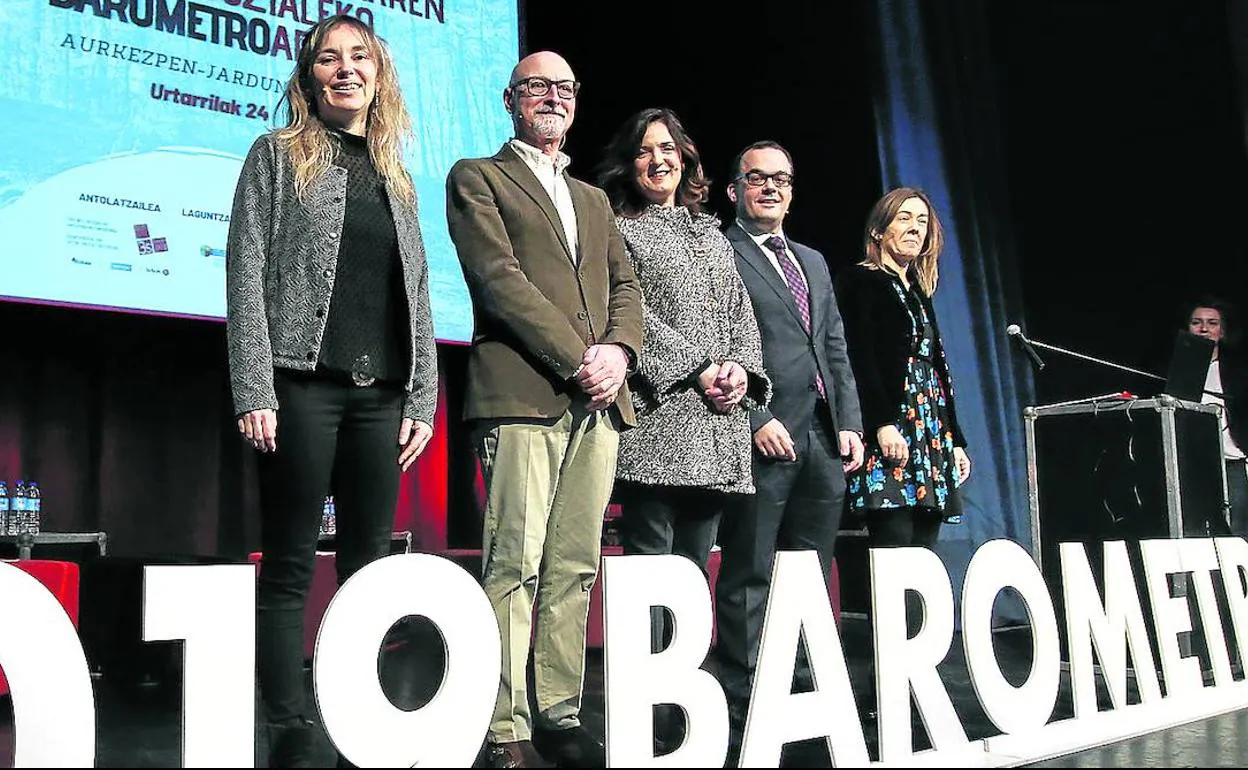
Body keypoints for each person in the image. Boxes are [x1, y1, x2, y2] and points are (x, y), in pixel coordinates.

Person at [225, 14, 437, 767]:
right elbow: (245, 274)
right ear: (308, 76)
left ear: (379, 76)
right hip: (300, 388)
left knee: (368, 569)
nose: (344, 70)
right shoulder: (276, 157)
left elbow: (417, 290)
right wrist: (255, 386)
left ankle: (360, 714)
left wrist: (421, 399)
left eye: (359, 58)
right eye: (328, 59)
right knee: (288, 564)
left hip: (380, 395)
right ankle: (287, 725)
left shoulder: (395, 174)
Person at [445, 51, 643, 769]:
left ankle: (559, 711)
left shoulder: (593, 198)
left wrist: (618, 352)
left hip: (598, 403)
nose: (552, 98)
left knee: (575, 567)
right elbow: (500, 282)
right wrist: (579, 359)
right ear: (510, 100)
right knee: (515, 565)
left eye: (565, 88)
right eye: (538, 87)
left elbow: (626, 289)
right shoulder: (478, 177)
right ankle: (505, 725)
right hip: (523, 394)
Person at [594, 108, 770, 750]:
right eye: (645, 151)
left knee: (694, 580)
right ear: (630, 163)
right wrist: (696, 366)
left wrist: (743, 372)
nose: (658, 159)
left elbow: (738, 313)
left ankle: (683, 715)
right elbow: (625, 312)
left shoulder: (714, 234)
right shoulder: (618, 229)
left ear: (687, 161)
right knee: (651, 575)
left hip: (718, 429)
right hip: (657, 424)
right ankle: (646, 718)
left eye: (668, 149)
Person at [715, 140, 864, 753]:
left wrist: (849, 419)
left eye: (782, 179)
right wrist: (754, 416)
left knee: (806, 574)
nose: (771, 188)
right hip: (762, 431)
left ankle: (800, 685)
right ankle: (743, 692)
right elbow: (718, 339)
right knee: (750, 568)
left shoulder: (813, 260)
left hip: (823, 439)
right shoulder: (720, 251)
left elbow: (833, 345)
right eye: (758, 178)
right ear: (735, 190)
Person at [833, 187, 971, 716]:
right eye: (904, 219)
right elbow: (858, 358)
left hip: (930, 433)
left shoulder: (917, 291)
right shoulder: (860, 282)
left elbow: (938, 369)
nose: (915, 227)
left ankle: (914, 681)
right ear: (879, 230)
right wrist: (880, 424)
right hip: (893, 428)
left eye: (922, 221)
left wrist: (956, 440)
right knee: (890, 564)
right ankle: (881, 688)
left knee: (919, 563)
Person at [1186, 296, 1248, 537]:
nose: (1203, 329)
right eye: (1196, 322)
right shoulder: (1174, 371)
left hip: (1233, 463)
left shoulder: (1238, 370)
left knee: (1239, 532)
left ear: (1222, 331)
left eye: (1212, 323)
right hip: (1193, 468)